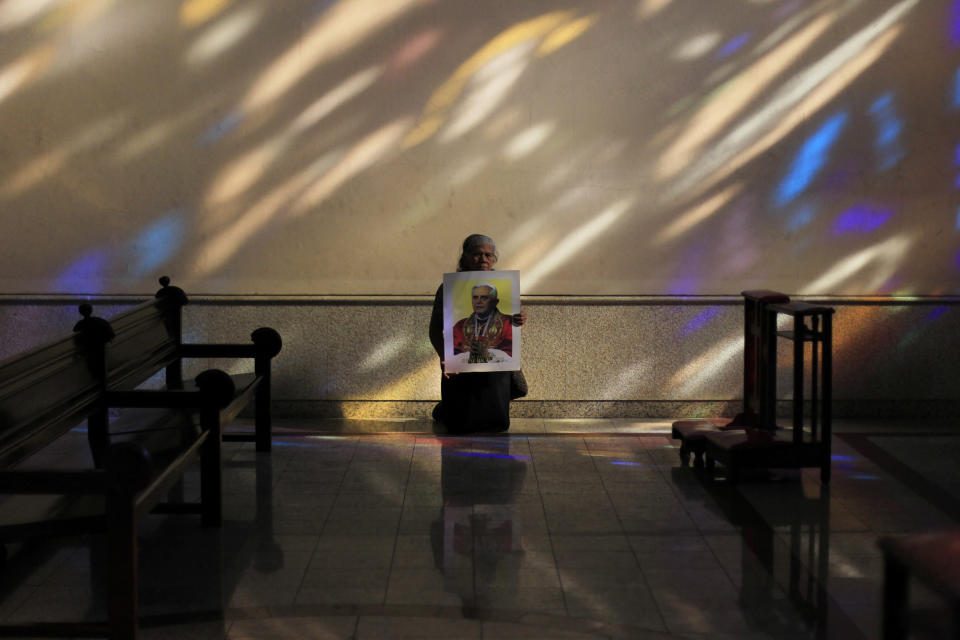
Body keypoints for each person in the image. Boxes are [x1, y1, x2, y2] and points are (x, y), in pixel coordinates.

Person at [429, 234, 526, 433]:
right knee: (460, 418)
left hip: (495, 371)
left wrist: (519, 320)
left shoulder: (506, 288)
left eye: (488, 255)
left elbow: (512, 330)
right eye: (477, 254)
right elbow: (435, 330)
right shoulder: (449, 292)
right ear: (464, 257)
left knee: (497, 418)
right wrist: (444, 356)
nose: (483, 259)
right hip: (461, 369)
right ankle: (446, 411)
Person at [452, 282, 513, 362]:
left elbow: (512, 356)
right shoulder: (460, 325)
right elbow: (452, 356)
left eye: (484, 298)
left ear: (495, 302)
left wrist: (488, 354)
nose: (478, 301)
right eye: (475, 297)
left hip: (496, 373)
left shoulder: (508, 323)